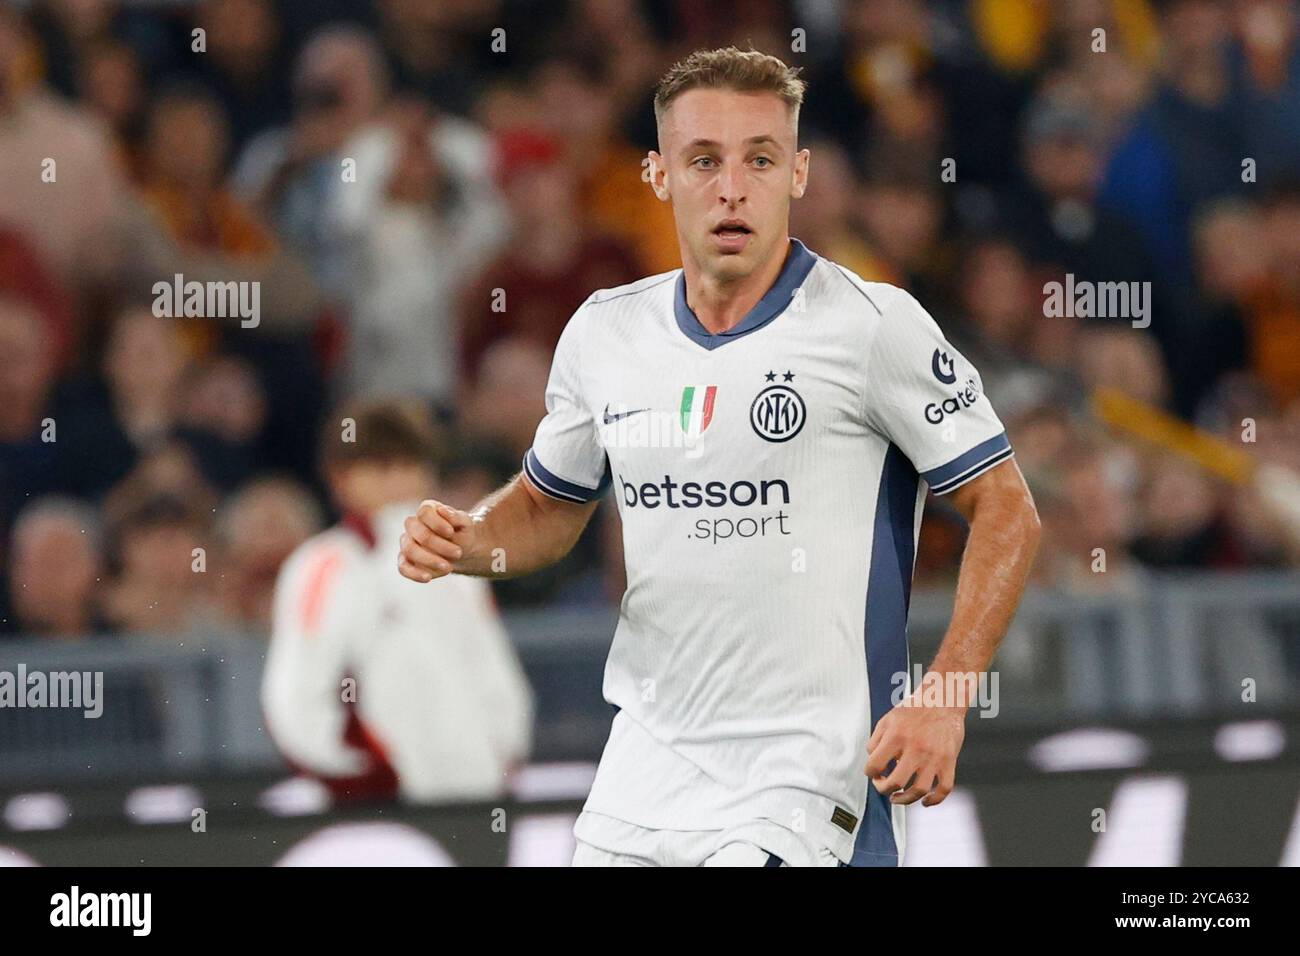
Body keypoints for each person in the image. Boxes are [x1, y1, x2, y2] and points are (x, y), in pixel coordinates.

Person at [399, 47, 1041, 867]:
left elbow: (1008, 510)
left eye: (760, 160)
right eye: (703, 160)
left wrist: (944, 701)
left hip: (806, 785)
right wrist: (466, 537)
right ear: (659, 175)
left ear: (798, 174)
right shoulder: (605, 333)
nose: (732, 187)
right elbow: (546, 508)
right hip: (641, 779)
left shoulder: (873, 327)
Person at [264, 399, 532, 804]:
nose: (400, 481)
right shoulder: (322, 566)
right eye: (382, 467)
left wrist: (502, 755)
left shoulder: (459, 569)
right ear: (340, 477)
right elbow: (295, 691)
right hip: (377, 804)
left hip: (474, 794)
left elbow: (491, 668)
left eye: (412, 465)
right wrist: (363, 776)